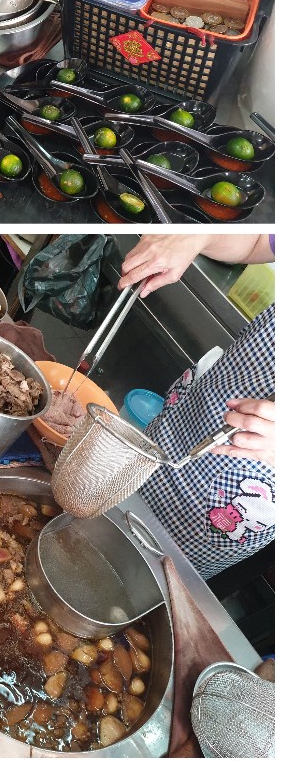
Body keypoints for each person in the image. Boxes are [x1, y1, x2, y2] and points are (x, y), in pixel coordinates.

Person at [117, 234, 274, 579]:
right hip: (177, 427)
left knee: (141, 581)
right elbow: (256, 243)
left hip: (223, 509)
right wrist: (200, 235)